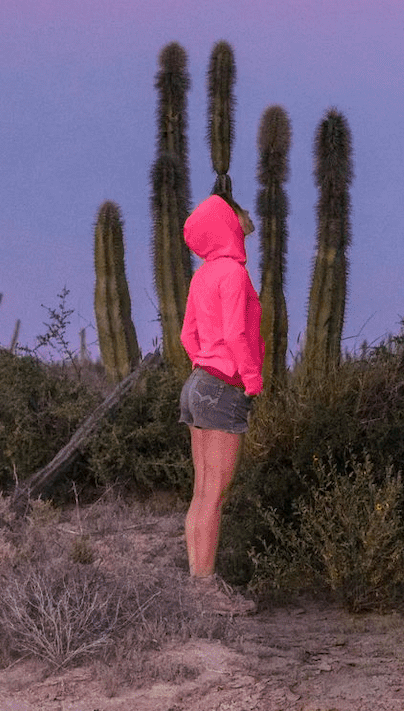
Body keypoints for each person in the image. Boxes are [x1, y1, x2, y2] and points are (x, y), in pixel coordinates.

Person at [178, 193, 262, 616]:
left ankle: (198, 587)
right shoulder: (233, 274)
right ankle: (207, 594)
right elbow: (236, 333)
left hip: (196, 385)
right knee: (215, 495)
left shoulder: (202, 276)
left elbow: (186, 337)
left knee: (201, 492)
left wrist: (203, 366)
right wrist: (251, 380)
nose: (248, 218)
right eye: (239, 213)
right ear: (228, 222)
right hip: (223, 388)